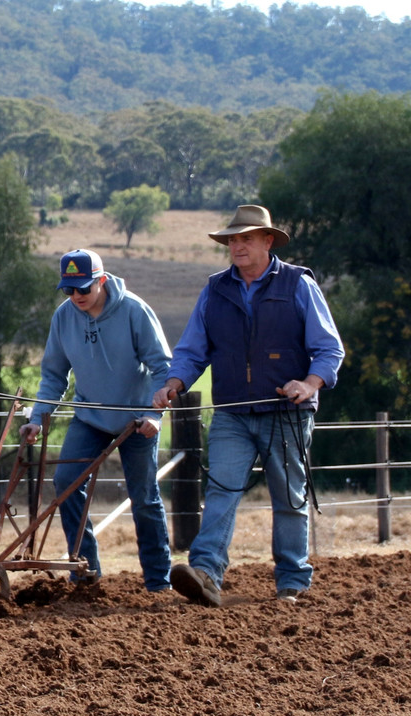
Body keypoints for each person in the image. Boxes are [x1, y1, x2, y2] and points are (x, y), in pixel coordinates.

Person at [152, 205, 344, 606]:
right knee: (220, 491)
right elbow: (192, 348)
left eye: (246, 239)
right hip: (232, 413)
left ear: (268, 241)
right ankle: (205, 573)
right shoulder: (215, 289)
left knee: (289, 498)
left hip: (287, 413)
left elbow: (329, 349)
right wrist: (173, 382)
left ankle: (291, 582)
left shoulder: (298, 285)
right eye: (232, 240)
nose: (237, 247)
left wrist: (309, 383)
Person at [21, 248, 173, 592]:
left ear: (102, 281)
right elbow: (54, 375)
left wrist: (153, 414)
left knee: (144, 497)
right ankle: (84, 574)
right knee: (66, 483)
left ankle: (158, 582)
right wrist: (37, 418)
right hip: (89, 416)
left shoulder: (134, 311)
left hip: (136, 420)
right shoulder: (63, 318)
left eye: (84, 289)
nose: (76, 297)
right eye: (69, 290)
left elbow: (162, 368)